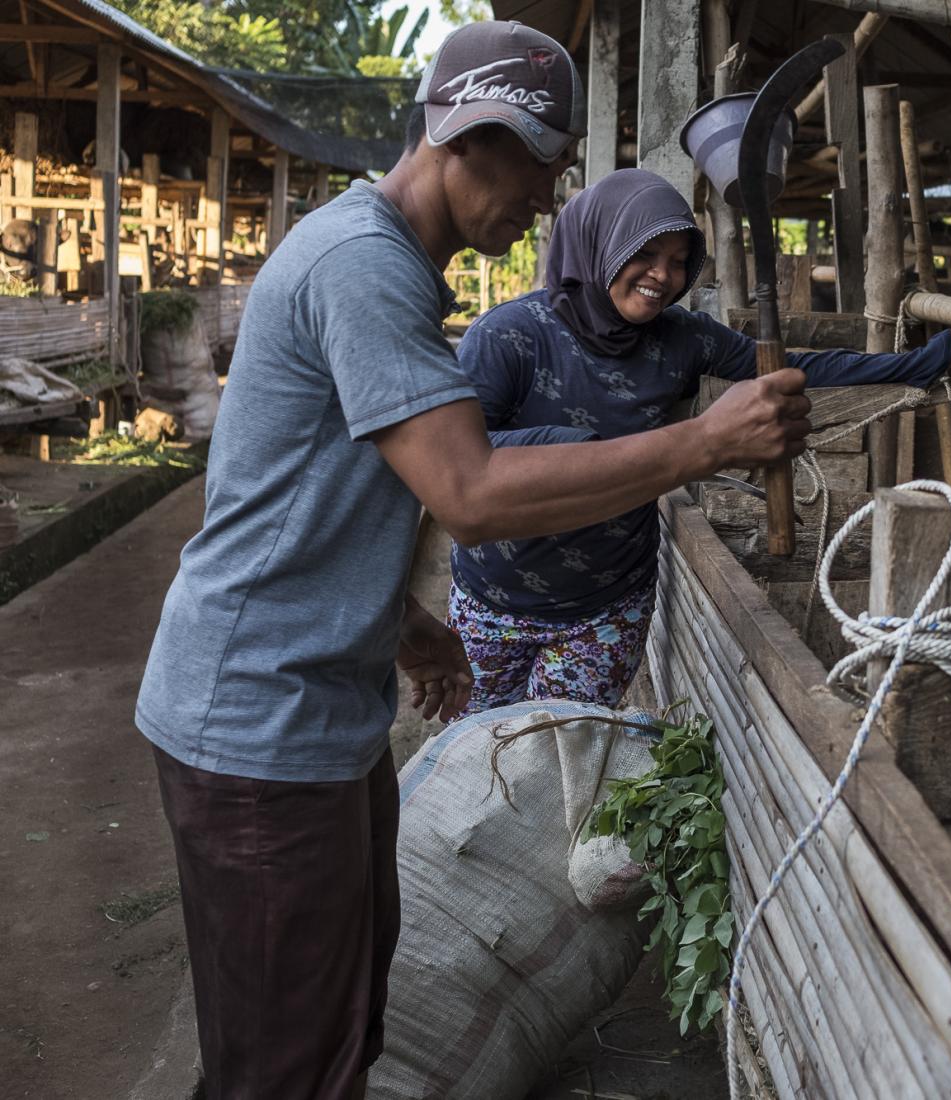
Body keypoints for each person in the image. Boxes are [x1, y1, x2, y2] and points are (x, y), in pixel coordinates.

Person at [134, 22, 811, 1100]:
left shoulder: (386, 264)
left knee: (342, 1023)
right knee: (283, 1065)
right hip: (257, 728)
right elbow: (473, 493)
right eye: (541, 166)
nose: (548, 200)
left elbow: (310, 489)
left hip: (318, 712)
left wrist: (409, 626)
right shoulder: (366, 268)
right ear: (472, 141)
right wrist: (703, 442)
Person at [449, 168, 951, 714]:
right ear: (600, 243)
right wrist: (581, 446)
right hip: (493, 598)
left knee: (558, 752)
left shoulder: (682, 338)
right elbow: (458, 459)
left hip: (606, 609)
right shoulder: (508, 337)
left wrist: (919, 362)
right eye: (646, 254)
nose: (663, 275)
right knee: (475, 756)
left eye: (679, 261)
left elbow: (788, 368)